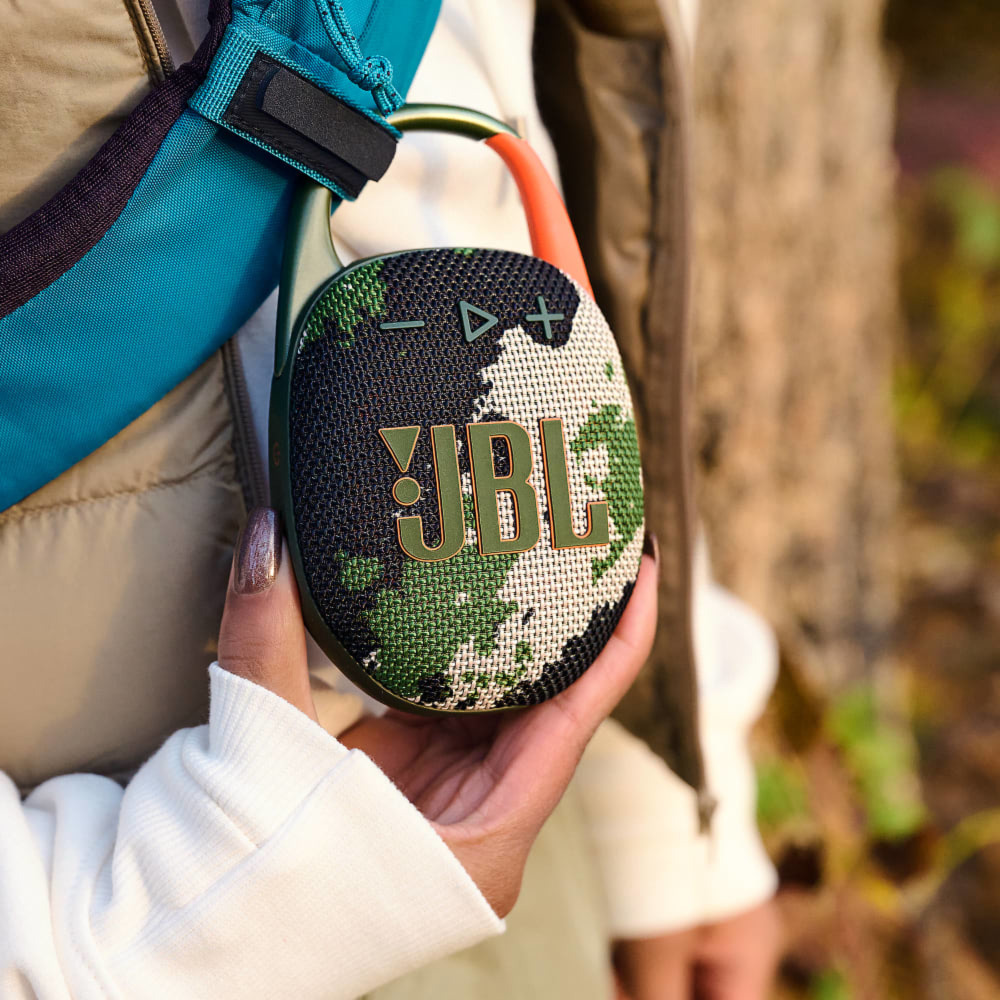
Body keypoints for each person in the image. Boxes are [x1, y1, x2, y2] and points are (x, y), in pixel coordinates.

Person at [0, 0, 781, 996]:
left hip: (489, 797)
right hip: (117, 854)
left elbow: (511, 111)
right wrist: (159, 916)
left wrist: (658, 800)